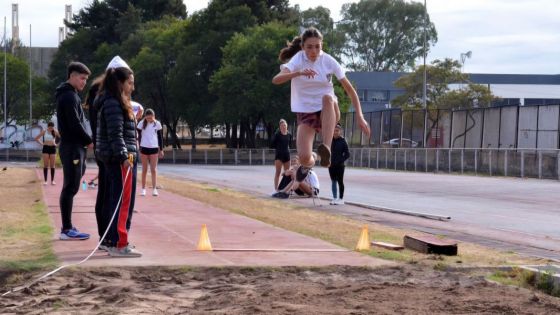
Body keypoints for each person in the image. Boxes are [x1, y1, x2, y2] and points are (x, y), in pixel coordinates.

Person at [272, 27, 370, 183]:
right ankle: (313, 160)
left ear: (321, 46)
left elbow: (350, 90)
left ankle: (326, 148)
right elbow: (276, 79)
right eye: (309, 47)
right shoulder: (298, 59)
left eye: (317, 46)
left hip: (328, 111)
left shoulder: (328, 61)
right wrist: (298, 73)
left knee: (327, 98)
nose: (314, 51)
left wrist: (360, 115)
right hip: (306, 112)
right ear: (303, 47)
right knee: (304, 157)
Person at [94, 57, 141, 257]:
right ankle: (119, 243)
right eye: (130, 82)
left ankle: (113, 240)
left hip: (120, 156)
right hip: (121, 158)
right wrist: (124, 157)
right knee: (122, 202)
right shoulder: (113, 103)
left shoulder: (115, 101)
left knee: (117, 200)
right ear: (121, 83)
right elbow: (115, 134)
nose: (133, 86)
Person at [55, 61, 93, 240]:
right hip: (71, 147)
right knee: (70, 187)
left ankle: (67, 227)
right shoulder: (69, 97)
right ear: (71, 76)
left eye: (86, 79)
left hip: (75, 147)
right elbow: (75, 124)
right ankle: (66, 229)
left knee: (72, 186)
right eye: (82, 78)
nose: (84, 82)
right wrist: (89, 141)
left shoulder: (72, 95)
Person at [137, 108, 163, 197]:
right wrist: (139, 145)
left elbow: (160, 137)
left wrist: (161, 150)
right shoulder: (141, 123)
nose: (149, 120)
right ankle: (143, 189)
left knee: (153, 170)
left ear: (154, 116)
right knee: (144, 170)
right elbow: (138, 135)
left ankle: (154, 189)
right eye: (148, 118)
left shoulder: (157, 123)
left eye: (151, 118)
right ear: (145, 117)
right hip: (144, 148)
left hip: (154, 148)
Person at [329, 123, 350, 205]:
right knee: (333, 181)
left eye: (337, 131)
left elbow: (347, 154)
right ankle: (334, 198)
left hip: (340, 166)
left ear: (340, 131)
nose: (335, 132)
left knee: (340, 181)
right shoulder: (330, 140)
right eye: (334, 131)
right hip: (331, 165)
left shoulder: (343, 141)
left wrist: (340, 160)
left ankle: (341, 199)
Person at [270, 119, 292, 191]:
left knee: (287, 173)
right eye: (282, 125)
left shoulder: (289, 135)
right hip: (279, 155)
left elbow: (290, 144)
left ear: (287, 126)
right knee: (278, 172)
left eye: (285, 125)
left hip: (287, 155)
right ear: (280, 127)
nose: (283, 126)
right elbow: (272, 144)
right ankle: (276, 189)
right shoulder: (277, 135)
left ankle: (285, 189)